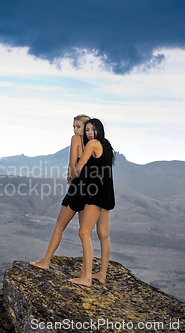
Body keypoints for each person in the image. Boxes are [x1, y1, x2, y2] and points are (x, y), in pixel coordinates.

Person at [29, 114, 91, 270]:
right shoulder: (94, 143)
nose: (75, 130)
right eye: (74, 126)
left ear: (85, 127)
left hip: (77, 188)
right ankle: (86, 271)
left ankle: (45, 262)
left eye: (78, 126)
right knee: (84, 232)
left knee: (59, 226)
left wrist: (69, 176)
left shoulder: (75, 139)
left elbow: (72, 162)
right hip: (90, 189)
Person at [68, 118, 115, 287]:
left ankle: (86, 278)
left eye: (93, 129)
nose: (89, 133)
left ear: (99, 130)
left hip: (95, 193)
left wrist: (71, 178)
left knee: (84, 232)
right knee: (103, 234)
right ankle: (101, 274)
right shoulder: (106, 144)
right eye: (87, 129)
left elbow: (79, 166)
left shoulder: (92, 144)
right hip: (107, 193)